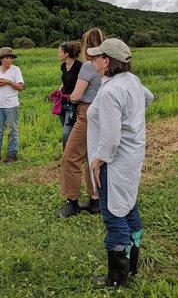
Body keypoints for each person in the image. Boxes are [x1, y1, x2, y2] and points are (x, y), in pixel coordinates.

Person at [86, 38, 154, 287]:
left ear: (107, 61)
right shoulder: (130, 81)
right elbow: (149, 97)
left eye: (96, 56)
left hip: (113, 162)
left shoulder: (111, 91)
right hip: (131, 157)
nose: (93, 60)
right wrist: (132, 118)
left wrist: (97, 161)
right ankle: (132, 263)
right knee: (128, 205)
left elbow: (112, 138)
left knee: (114, 213)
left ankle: (117, 277)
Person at [56, 28, 105, 218]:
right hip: (103, 113)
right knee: (93, 156)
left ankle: (72, 202)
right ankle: (95, 200)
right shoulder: (109, 64)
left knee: (70, 157)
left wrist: (73, 97)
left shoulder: (88, 66)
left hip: (86, 113)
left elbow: (76, 96)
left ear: (87, 46)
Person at [0, 47, 24, 163]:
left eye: (10, 58)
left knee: (13, 129)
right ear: (1, 59)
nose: (9, 60)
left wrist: (9, 82)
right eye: (6, 58)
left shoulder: (15, 70)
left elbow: (20, 87)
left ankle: (12, 154)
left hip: (12, 104)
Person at [56, 41, 83, 149]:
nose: (58, 54)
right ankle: (72, 153)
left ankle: (66, 157)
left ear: (66, 54)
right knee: (66, 128)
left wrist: (74, 96)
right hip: (63, 101)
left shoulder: (79, 66)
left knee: (67, 131)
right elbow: (65, 81)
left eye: (59, 52)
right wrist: (58, 92)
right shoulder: (63, 66)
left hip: (73, 102)